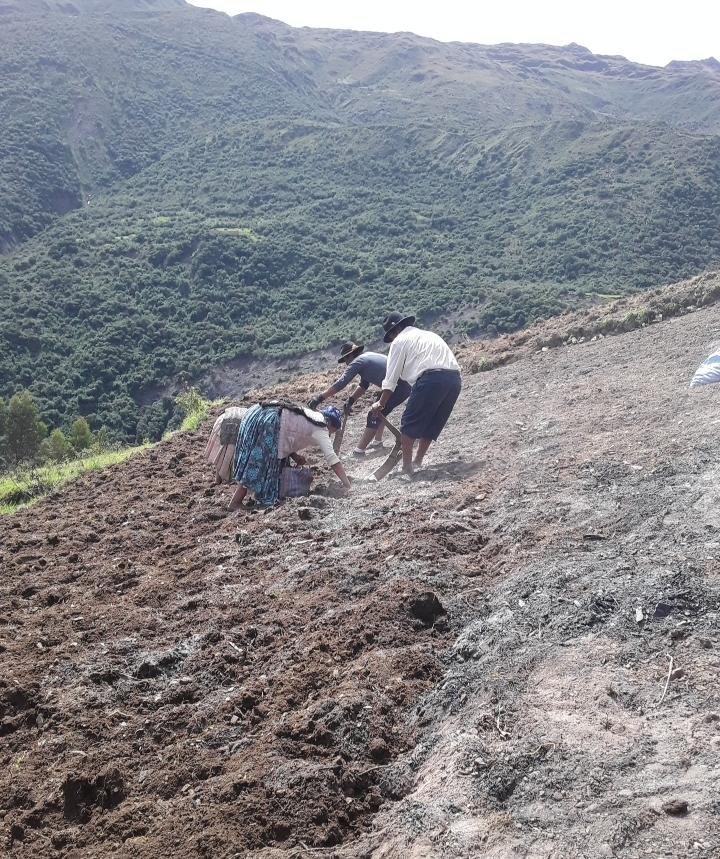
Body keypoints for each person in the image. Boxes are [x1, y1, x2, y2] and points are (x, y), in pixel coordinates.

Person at [370, 312, 461, 479]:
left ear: (394, 331)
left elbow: (391, 378)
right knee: (433, 422)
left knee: (408, 424)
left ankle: (406, 467)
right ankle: (417, 461)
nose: (391, 338)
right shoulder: (428, 334)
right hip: (454, 379)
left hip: (430, 378)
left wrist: (381, 403)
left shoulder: (399, 341)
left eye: (390, 335)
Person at [229, 401, 352, 509]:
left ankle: (253, 496)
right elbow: (333, 460)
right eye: (334, 431)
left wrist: (295, 456)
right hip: (271, 422)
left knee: (263, 461)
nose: (332, 433)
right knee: (257, 463)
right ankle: (235, 502)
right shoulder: (322, 429)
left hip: (262, 413)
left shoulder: (315, 416)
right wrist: (347, 484)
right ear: (332, 426)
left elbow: (288, 431)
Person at [309, 341, 411, 456]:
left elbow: (341, 383)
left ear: (351, 355)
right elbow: (364, 385)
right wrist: (351, 400)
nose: (346, 364)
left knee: (374, 413)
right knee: (379, 408)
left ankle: (359, 451)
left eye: (346, 360)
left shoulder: (358, 362)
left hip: (398, 387)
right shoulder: (366, 358)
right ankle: (377, 442)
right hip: (398, 385)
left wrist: (319, 398)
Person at [205, 406, 248, 484]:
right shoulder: (250, 417)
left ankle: (218, 479)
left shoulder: (223, 417)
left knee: (221, 452)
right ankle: (232, 477)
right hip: (239, 426)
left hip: (222, 424)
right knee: (232, 453)